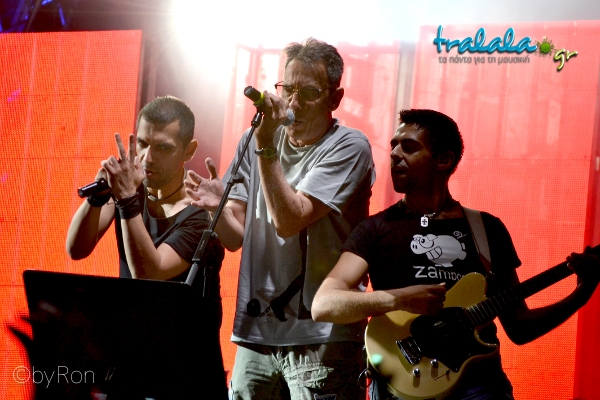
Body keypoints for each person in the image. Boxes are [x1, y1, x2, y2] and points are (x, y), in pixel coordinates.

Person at [311, 109, 600, 400]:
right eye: (393, 146)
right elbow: (324, 304)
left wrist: (580, 295)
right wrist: (397, 299)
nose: (395, 154)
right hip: (401, 382)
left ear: (444, 160)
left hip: (479, 385)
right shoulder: (375, 228)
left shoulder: (487, 228)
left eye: (408, 147)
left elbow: (520, 328)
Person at [185, 38, 376, 400]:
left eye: (309, 92)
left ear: (335, 98)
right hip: (256, 333)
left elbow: (290, 220)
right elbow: (234, 237)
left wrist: (266, 145)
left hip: (322, 336)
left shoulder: (350, 146)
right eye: (288, 89)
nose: (293, 103)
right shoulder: (255, 139)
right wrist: (216, 208)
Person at [65, 95, 227, 399]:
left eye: (163, 148)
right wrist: (98, 198)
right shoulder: (130, 191)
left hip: (186, 370)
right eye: (142, 144)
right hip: (132, 361)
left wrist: (127, 200)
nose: (147, 158)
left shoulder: (200, 212)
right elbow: (76, 249)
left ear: (188, 150)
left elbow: (149, 272)